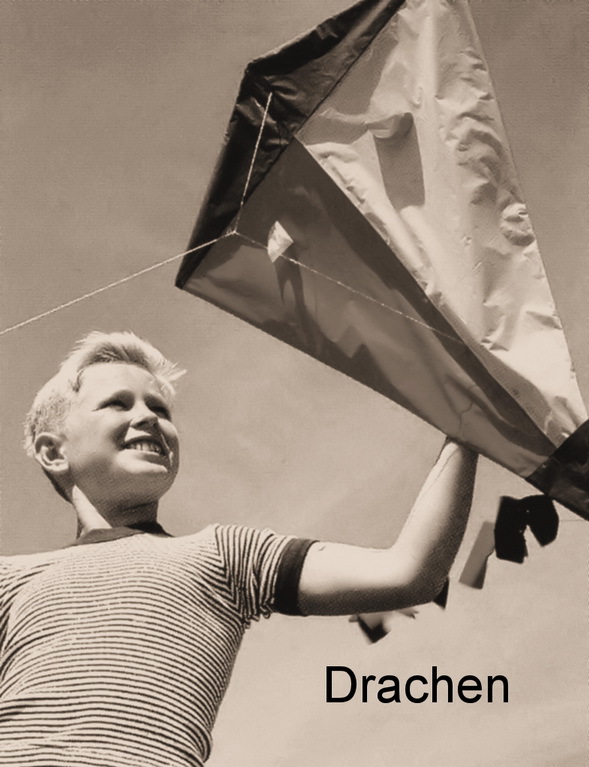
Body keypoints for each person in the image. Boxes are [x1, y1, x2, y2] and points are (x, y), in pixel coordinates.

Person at [0, 331, 478, 766]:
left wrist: (466, 426)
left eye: (160, 409)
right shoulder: (11, 580)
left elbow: (408, 572)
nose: (147, 417)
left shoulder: (223, 555)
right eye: (117, 404)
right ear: (54, 452)